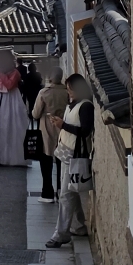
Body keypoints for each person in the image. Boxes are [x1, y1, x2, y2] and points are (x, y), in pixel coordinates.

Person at [47, 74, 96, 248]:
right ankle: (78, 226)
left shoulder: (86, 106)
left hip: (75, 154)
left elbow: (85, 131)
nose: (69, 93)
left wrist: (63, 125)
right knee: (70, 191)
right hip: (66, 151)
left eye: (71, 89)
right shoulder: (73, 104)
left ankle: (61, 234)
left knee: (66, 195)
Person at [0, 49, 28, 166]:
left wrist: (1, 73)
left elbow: (9, 85)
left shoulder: (15, 73)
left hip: (11, 100)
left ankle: (9, 156)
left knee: (11, 126)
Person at [31, 63, 68, 204]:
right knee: (61, 162)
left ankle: (47, 192)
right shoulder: (66, 92)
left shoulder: (44, 93)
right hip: (62, 128)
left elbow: (35, 113)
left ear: (50, 78)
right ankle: (61, 191)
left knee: (46, 162)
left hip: (46, 129)